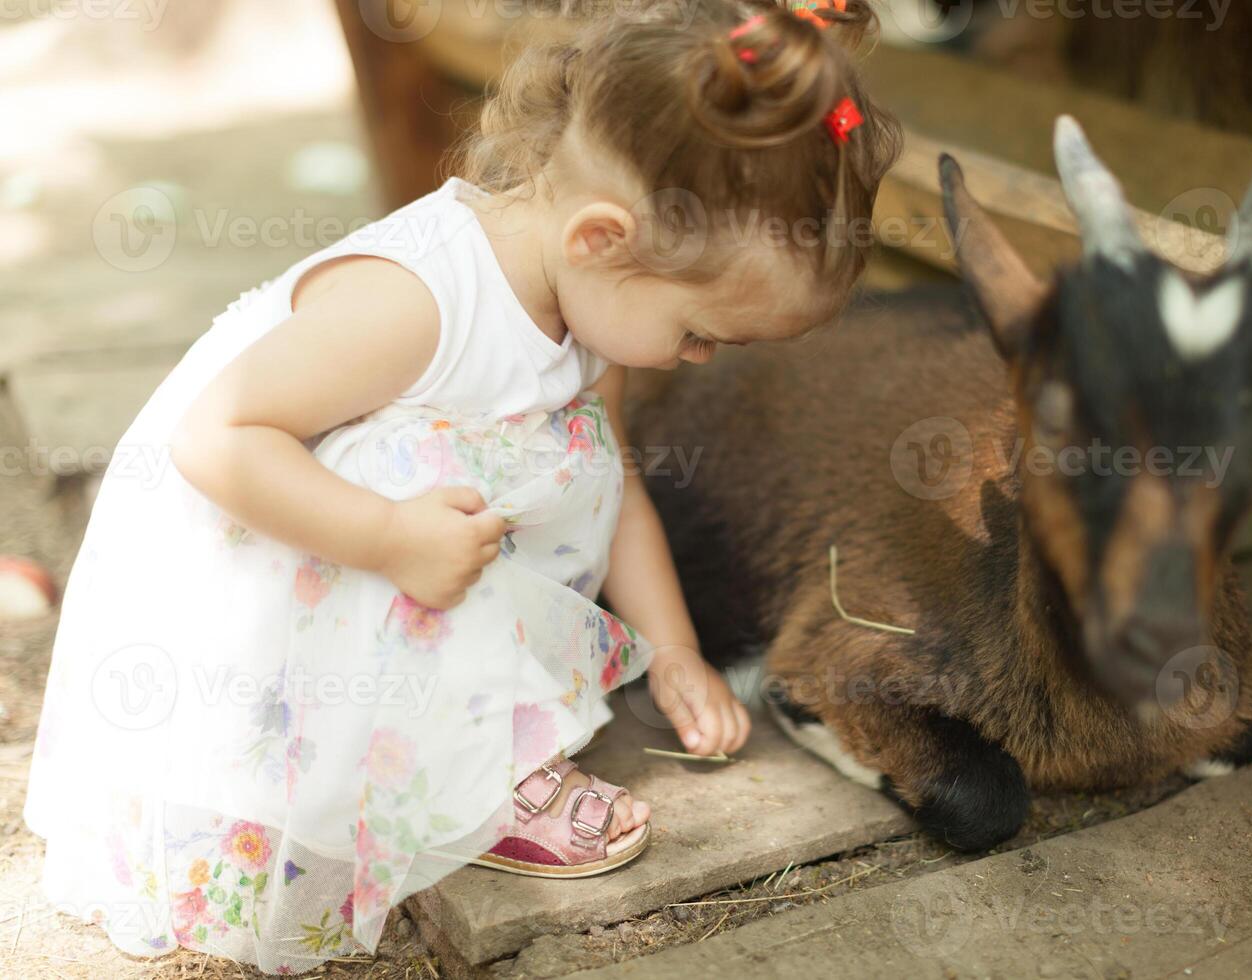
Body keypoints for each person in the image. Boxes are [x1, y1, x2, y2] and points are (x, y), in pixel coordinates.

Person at [23, 0, 900, 972]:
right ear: (600, 239)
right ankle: (473, 774)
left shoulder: (586, 301)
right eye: (699, 331)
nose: (697, 359)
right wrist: (387, 535)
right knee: (434, 472)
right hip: (253, 547)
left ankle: (459, 711)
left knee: (560, 448)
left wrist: (675, 648)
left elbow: (615, 477)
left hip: (378, 537)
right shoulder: (419, 302)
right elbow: (216, 440)